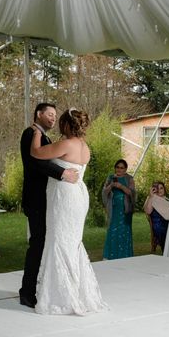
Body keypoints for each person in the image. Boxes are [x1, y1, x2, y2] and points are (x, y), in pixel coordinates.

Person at [29, 108, 108, 315]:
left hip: (63, 197)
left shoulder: (66, 144)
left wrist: (37, 133)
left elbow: (36, 153)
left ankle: (60, 296)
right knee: (72, 242)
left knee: (58, 240)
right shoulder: (84, 146)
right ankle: (76, 292)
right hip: (79, 196)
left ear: (66, 124)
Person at [18, 103, 79, 309]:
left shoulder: (44, 137)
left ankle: (39, 287)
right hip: (36, 200)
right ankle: (27, 293)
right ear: (39, 114)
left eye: (55, 115)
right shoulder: (30, 133)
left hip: (48, 199)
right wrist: (62, 174)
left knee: (44, 243)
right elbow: (34, 162)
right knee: (37, 244)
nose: (53, 118)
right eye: (50, 114)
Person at [101, 159, 136, 260]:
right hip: (114, 209)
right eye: (117, 167)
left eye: (121, 168)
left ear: (125, 169)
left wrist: (121, 187)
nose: (119, 169)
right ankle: (111, 256)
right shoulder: (110, 178)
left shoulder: (129, 179)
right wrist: (111, 185)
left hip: (125, 210)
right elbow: (104, 192)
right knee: (113, 230)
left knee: (124, 231)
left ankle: (124, 256)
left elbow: (132, 193)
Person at [143, 181, 169, 252]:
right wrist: (150, 196)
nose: (159, 190)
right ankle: (168, 252)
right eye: (157, 188)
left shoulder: (167, 200)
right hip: (160, 227)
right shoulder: (152, 198)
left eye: (161, 188)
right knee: (167, 232)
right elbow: (148, 211)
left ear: (164, 189)